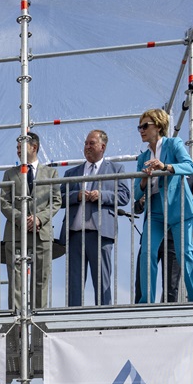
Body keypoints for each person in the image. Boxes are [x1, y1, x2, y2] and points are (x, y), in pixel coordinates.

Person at [134, 108, 193, 302]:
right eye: (139, 127)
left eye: (145, 126)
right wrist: (143, 179)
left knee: (185, 253)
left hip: (180, 207)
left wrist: (164, 167)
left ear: (158, 126)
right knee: (147, 253)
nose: (141, 130)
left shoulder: (173, 143)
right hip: (156, 209)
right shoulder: (142, 158)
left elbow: (189, 166)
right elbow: (136, 192)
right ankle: (146, 302)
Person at [59, 130, 130, 306]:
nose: (87, 147)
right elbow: (58, 199)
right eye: (86, 143)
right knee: (74, 284)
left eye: (91, 143)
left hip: (100, 234)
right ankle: (73, 320)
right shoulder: (71, 173)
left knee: (102, 281)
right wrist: (78, 196)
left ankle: (104, 320)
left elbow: (124, 196)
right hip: (74, 235)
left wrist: (102, 195)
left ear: (102, 147)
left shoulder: (116, 169)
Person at [0, 131, 62, 311]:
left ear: (34, 147)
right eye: (17, 148)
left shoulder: (51, 173)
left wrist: (38, 219)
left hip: (41, 234)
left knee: (41, 278)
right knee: (16, 280)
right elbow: (4, 202)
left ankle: (38, 326)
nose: (18, 151)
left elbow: (56, 201)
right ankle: (17, 324)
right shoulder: (9, 174)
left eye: (22, 147)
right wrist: (21, 218)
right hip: (16, 233)